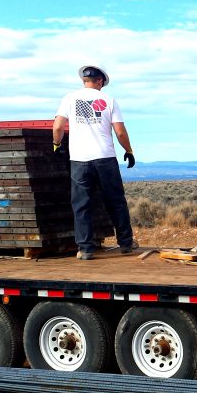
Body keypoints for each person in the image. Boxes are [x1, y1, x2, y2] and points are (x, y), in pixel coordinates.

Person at [53, 64, 138, 260]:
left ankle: (85, 249)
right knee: (116, 201)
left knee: (81, 204)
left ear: (84, 80)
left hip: (79, 159)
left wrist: (56, 145)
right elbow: (120, 131)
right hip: (105, 158)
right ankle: (126, 243)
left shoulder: (69, 98)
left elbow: (58, 126)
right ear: (99, 81)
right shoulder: (109, 100)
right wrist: (129, 150)